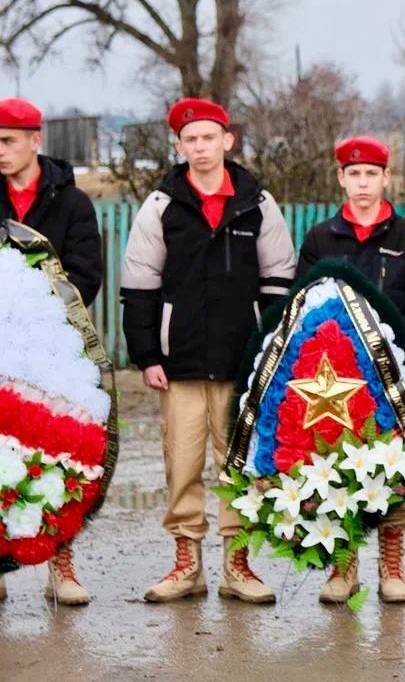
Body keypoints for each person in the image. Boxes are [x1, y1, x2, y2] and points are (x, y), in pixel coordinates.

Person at [121, 98, 296, 604]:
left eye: (208, 137)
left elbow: (279, 280)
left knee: (238, 463)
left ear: (228, 140)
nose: (200, 147)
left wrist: (268, 352)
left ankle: (237, 566)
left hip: (242, 363)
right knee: (181, 462)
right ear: (178, 146)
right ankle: (186, 564)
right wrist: (147, 354)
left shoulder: (257, 203)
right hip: (179, 363)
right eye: (189, 140)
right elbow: (139, 284)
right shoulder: (161, 205)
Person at [296, 135, 405, 604]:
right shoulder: (321, 237)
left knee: (394, 468)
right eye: (353, 174)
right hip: (333, 380)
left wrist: (395, 340)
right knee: (337, 466)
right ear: (341, 178)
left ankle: (391, 565)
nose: (362, 183)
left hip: (391, 375)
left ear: (385, 178)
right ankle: (344, 566)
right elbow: (302, 303)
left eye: (370, 174)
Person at [0, 97, 101, 606]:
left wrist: (37, 314)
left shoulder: (71, 202)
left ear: (35, 141)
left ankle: (61, 565)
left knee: (57, 452)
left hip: (53, 350)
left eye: (7, 141)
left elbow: (86, 273)